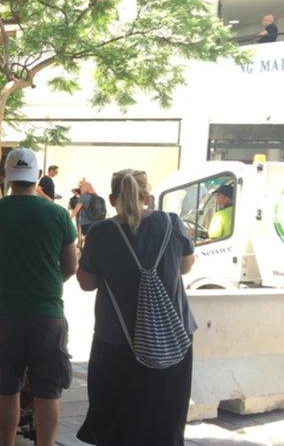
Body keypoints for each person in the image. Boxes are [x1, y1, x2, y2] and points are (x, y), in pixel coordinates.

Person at [75, 170, 196, 445]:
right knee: (163, 425)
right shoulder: (172, 223)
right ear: (148, 196)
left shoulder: (101, 232)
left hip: (116, 343)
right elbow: (185, 267)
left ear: (111, 198)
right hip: (172, 343)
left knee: (116, 425)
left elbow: (86, 282)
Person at [0, 148, 78, 446]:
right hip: (48, 312)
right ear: (37, 176)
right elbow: (71, 266)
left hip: (7, 312)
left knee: (8, 388)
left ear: (8, 176)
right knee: (47, 392)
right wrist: (49, 281)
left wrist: (4, 278)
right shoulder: (58, 214)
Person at [73, 180, 106, 245]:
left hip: (86, 223)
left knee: (89, 241)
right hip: (96, 222)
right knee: (93, 240)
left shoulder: (84, 196)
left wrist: (68, 218)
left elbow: (76, 209)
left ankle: (83, 245)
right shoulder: (96, 196)